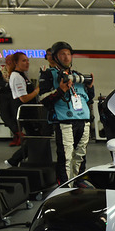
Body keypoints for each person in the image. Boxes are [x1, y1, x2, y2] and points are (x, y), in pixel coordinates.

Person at [39, 41, 95, 184]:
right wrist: (60, 90)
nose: (66, 57)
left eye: (68, 54)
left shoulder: (77, 75)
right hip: (65, 122)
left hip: (83, 120)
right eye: (62, 54)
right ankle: (65, 187)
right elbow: (43, 99)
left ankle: (78, 182)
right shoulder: (48, 75)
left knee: (81, 155)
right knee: (66, 157)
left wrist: (90, 86)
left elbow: (89, 97)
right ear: (55, 57)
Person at [4, 52, 41, 167]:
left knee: (35, 139)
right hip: (25, 113)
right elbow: (23, 98)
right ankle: (13, 160)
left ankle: (18, 160)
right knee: (34, 139)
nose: (27, 63)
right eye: (23, 61)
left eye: (27, 60)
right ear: (16, 63)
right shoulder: (16, 76)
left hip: (31, 112)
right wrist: (36, 91)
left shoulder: (23, 75)